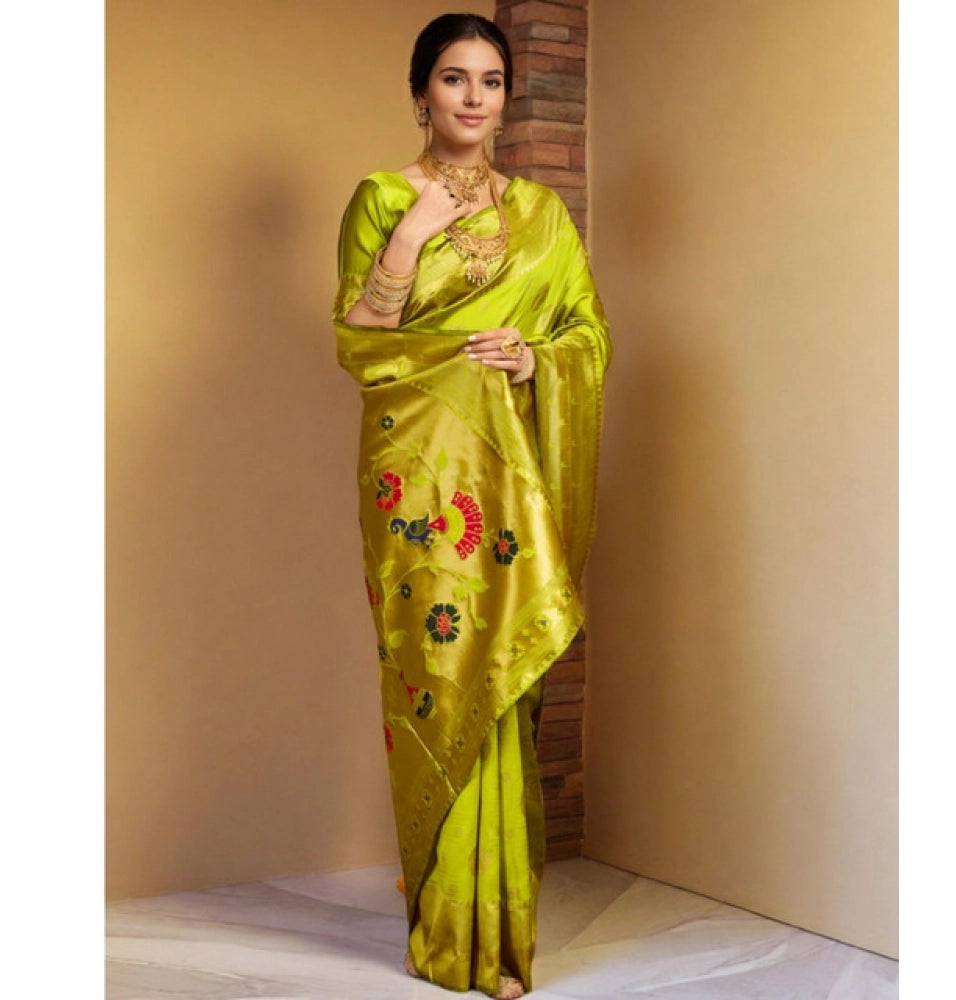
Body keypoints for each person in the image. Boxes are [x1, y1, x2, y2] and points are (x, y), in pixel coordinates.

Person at [332, 12, 611, 999]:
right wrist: (413, 233)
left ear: (505, 98)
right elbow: (359, 340)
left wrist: (535, 361)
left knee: (499, 665)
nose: (474, 97)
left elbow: (586, 333)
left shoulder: (541, 214)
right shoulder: (381, 197)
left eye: (491, 81)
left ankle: (498, 929)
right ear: (422, 92)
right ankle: (449, 926)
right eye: (454, 78)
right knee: (440, 674)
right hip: (418, 474)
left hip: (509, 469)